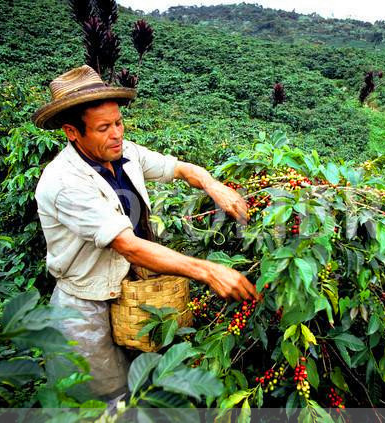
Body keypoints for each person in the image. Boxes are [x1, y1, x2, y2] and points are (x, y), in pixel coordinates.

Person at [32, 65, 259, 401]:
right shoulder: (65, 182)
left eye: (119, 123)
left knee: (145, 379)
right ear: (72, 132)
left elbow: (179, 168)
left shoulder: (125, 154)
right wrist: (209, 271)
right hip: (87, 304)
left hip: (135, 293)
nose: (117, 134)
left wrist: (214, 185)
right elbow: (128, 245)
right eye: (103, 128)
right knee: (107, 398)